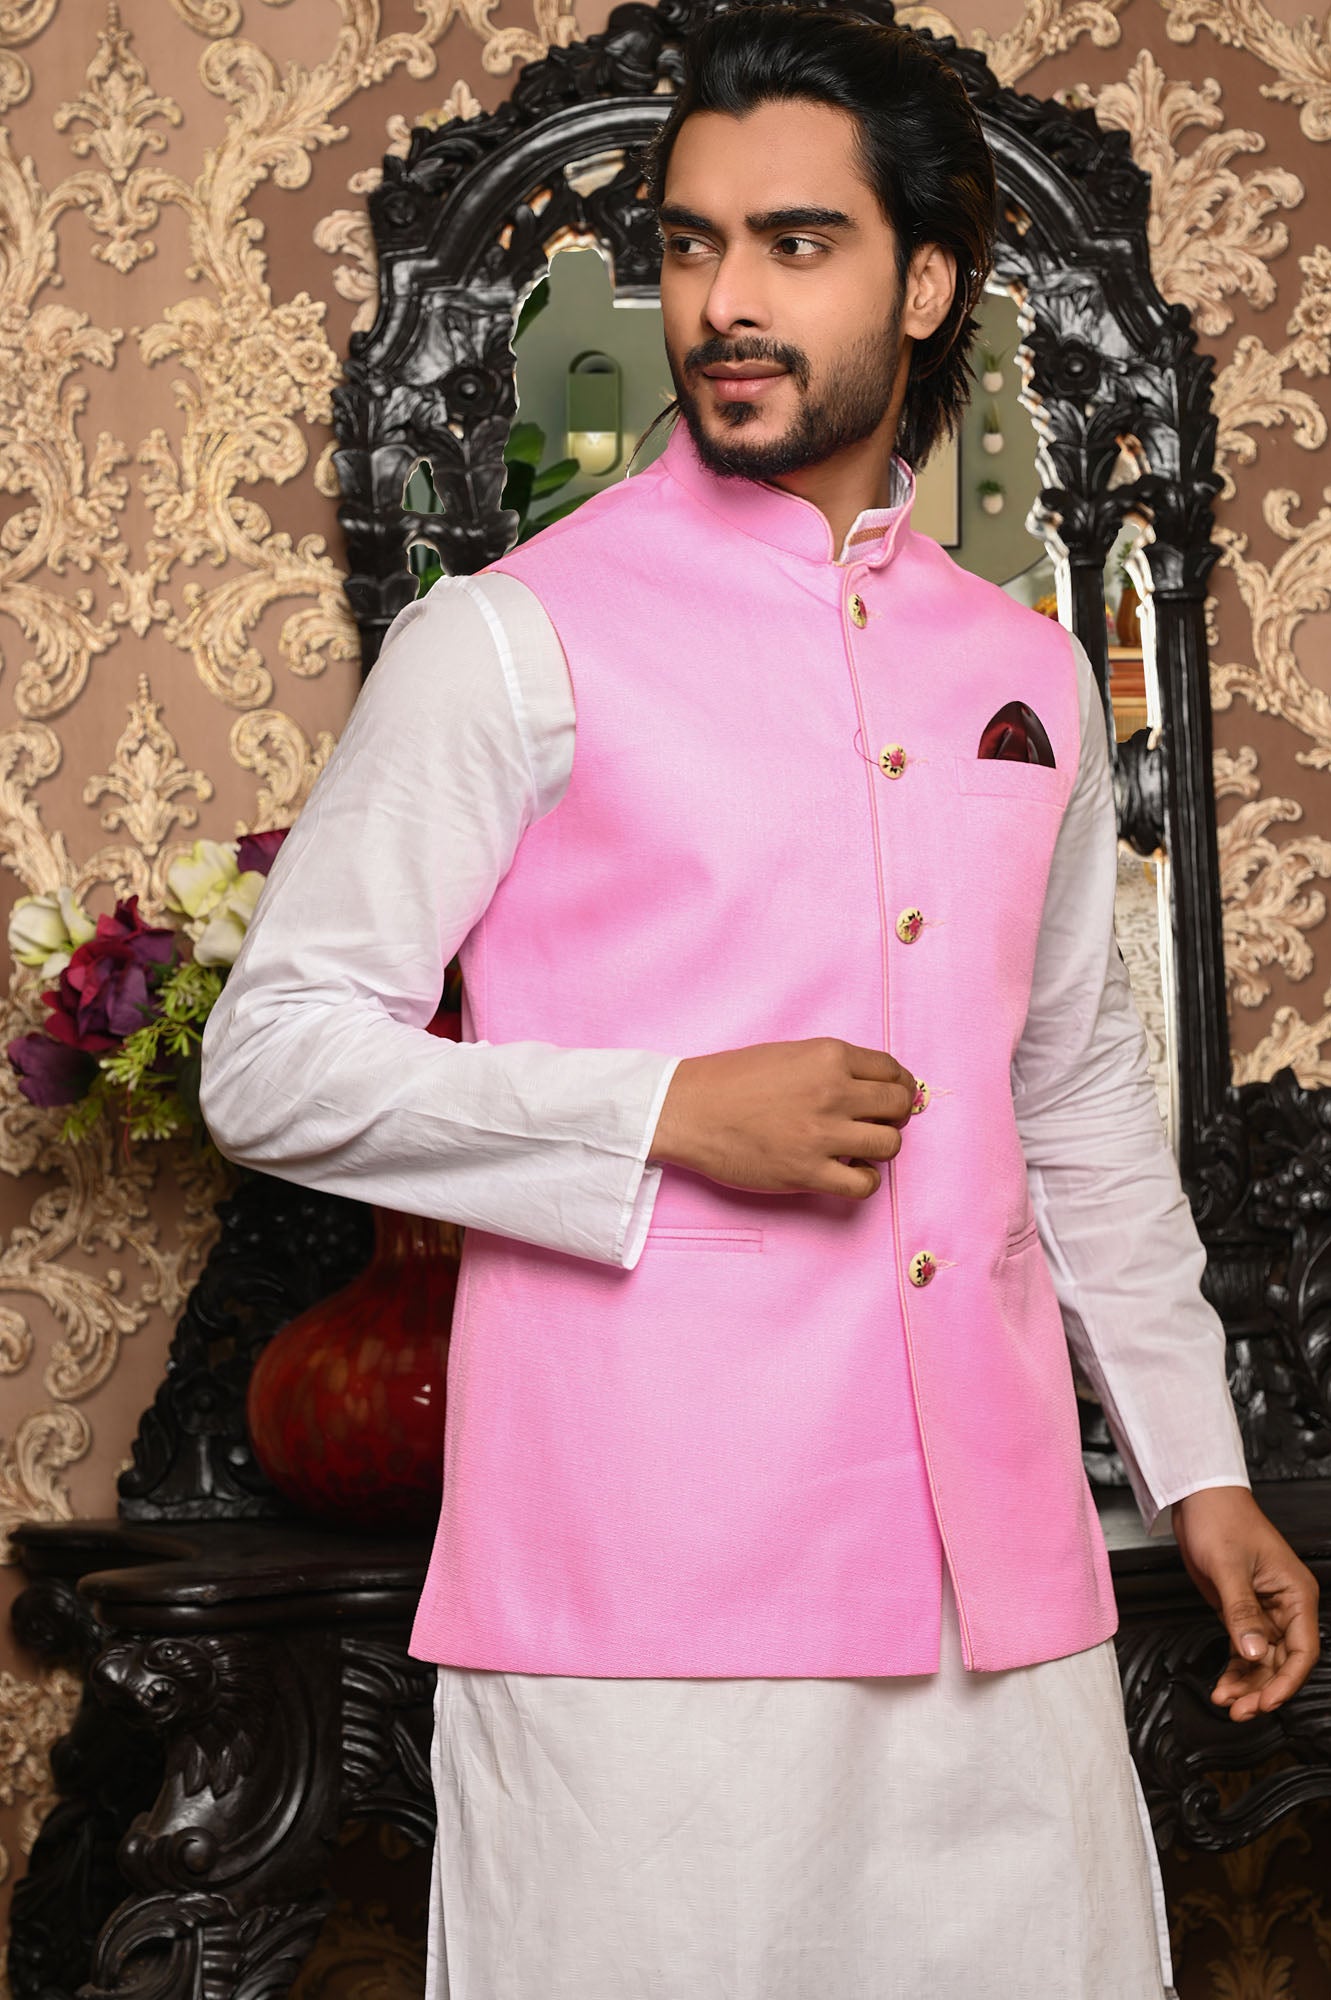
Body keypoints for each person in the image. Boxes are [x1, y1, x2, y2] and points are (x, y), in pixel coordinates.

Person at [198, 7, 1320, 1996]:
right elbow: (272, 1061)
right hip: (644, 1602)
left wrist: (1199, 1468)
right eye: (691, 243)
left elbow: (1069, 1094)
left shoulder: (1030, 673)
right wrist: (665, 1112)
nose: (723, 298)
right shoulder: (509, 643)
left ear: (928, 281)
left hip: (1003, 1613)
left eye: (796, 242)